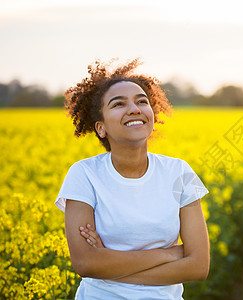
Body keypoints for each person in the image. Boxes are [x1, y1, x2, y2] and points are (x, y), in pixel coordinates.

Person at [55, 58, 210, 299]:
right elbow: (85, 263)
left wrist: (108, 265)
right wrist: (169, 254)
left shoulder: (179, 172)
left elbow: (199, 266)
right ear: (100, 127)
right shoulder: (84, 174)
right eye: (118, 104)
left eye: (142, 102)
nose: (134, 109)